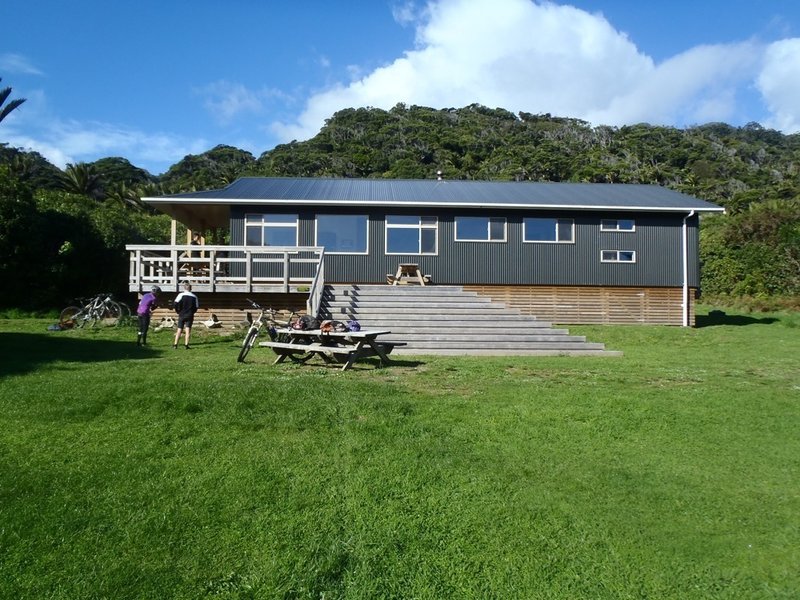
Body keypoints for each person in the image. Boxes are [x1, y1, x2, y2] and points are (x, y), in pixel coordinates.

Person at [173, 282, 199, 349]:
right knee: (188, 330)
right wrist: (192, 312)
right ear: (191, 288)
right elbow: (196, 307)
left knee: (179, 329)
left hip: (182, 314)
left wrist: (177, 311)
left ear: (184, 288)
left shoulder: (181, 295)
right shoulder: (194, 296)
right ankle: (186, 345)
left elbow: (175, 303)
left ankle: (175, 344)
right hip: (190, 315)